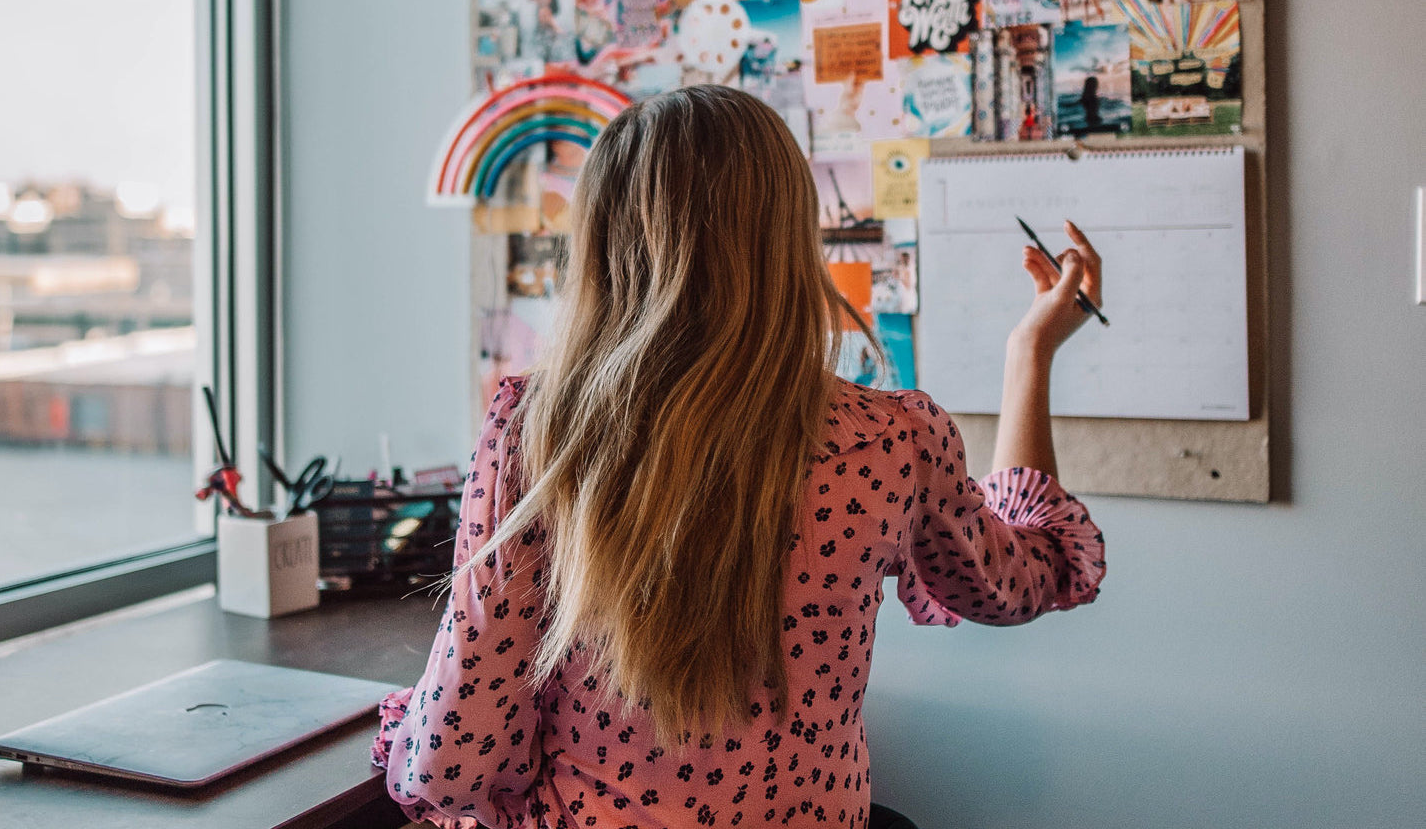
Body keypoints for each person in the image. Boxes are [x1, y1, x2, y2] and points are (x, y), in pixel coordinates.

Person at [372, 86, 1106, 828]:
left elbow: (451, 761)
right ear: (789, 237)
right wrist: (1030, 353)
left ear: (598, 243)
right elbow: (1023, 578)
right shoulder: (893, 442)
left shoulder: (541, 433)